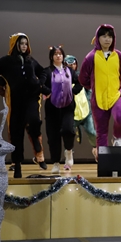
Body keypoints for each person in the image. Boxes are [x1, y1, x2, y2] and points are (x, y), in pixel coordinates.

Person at [0, 33, 48, 178]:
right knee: (16, 134)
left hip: (31, 97)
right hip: (16, 100)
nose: (24, 46)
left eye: (26, 44)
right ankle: (18, 165)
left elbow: (43, 71)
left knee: (34, 120)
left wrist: (40, 83)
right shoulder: (6, 61)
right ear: (15, 44)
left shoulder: (31, 60)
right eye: (21, 44)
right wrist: (4, 82)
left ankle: (36, 143)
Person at [79, 24, 121, 160]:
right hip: (98, 99)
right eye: (104, 36)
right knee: (101, 132)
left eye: (110, 36)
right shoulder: (91, 57)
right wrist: (94, 87)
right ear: (97, 38)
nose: (107, 39)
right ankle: (103, 161)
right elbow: (82, 78)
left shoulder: (119, 56)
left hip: (116, 95)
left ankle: (117, 137)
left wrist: (115, 86)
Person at [40, 46, 83, 174]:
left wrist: (73, 91)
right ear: (51, 57)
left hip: (67, 106)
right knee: (53, 136)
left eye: (60, 54)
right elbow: (40, 84)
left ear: (63, 56)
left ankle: (69, 151)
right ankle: (56, 163)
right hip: (52, 108)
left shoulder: (69, 71)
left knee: (68, 130)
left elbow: (80, 82)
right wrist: (48, 92)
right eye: (55, 54)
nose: (58, 56)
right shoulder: (47, 71)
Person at [64, 55, 97, 150]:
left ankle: (96, 148)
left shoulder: (81, 76)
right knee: (68, 134)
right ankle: (69, 151)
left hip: (85, 111)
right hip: (71, 114)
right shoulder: (62, 78)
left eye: (74, 64)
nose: (72, 66)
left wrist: (90, 103)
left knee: (92, 132)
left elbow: (89, 90)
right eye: (69, 64)